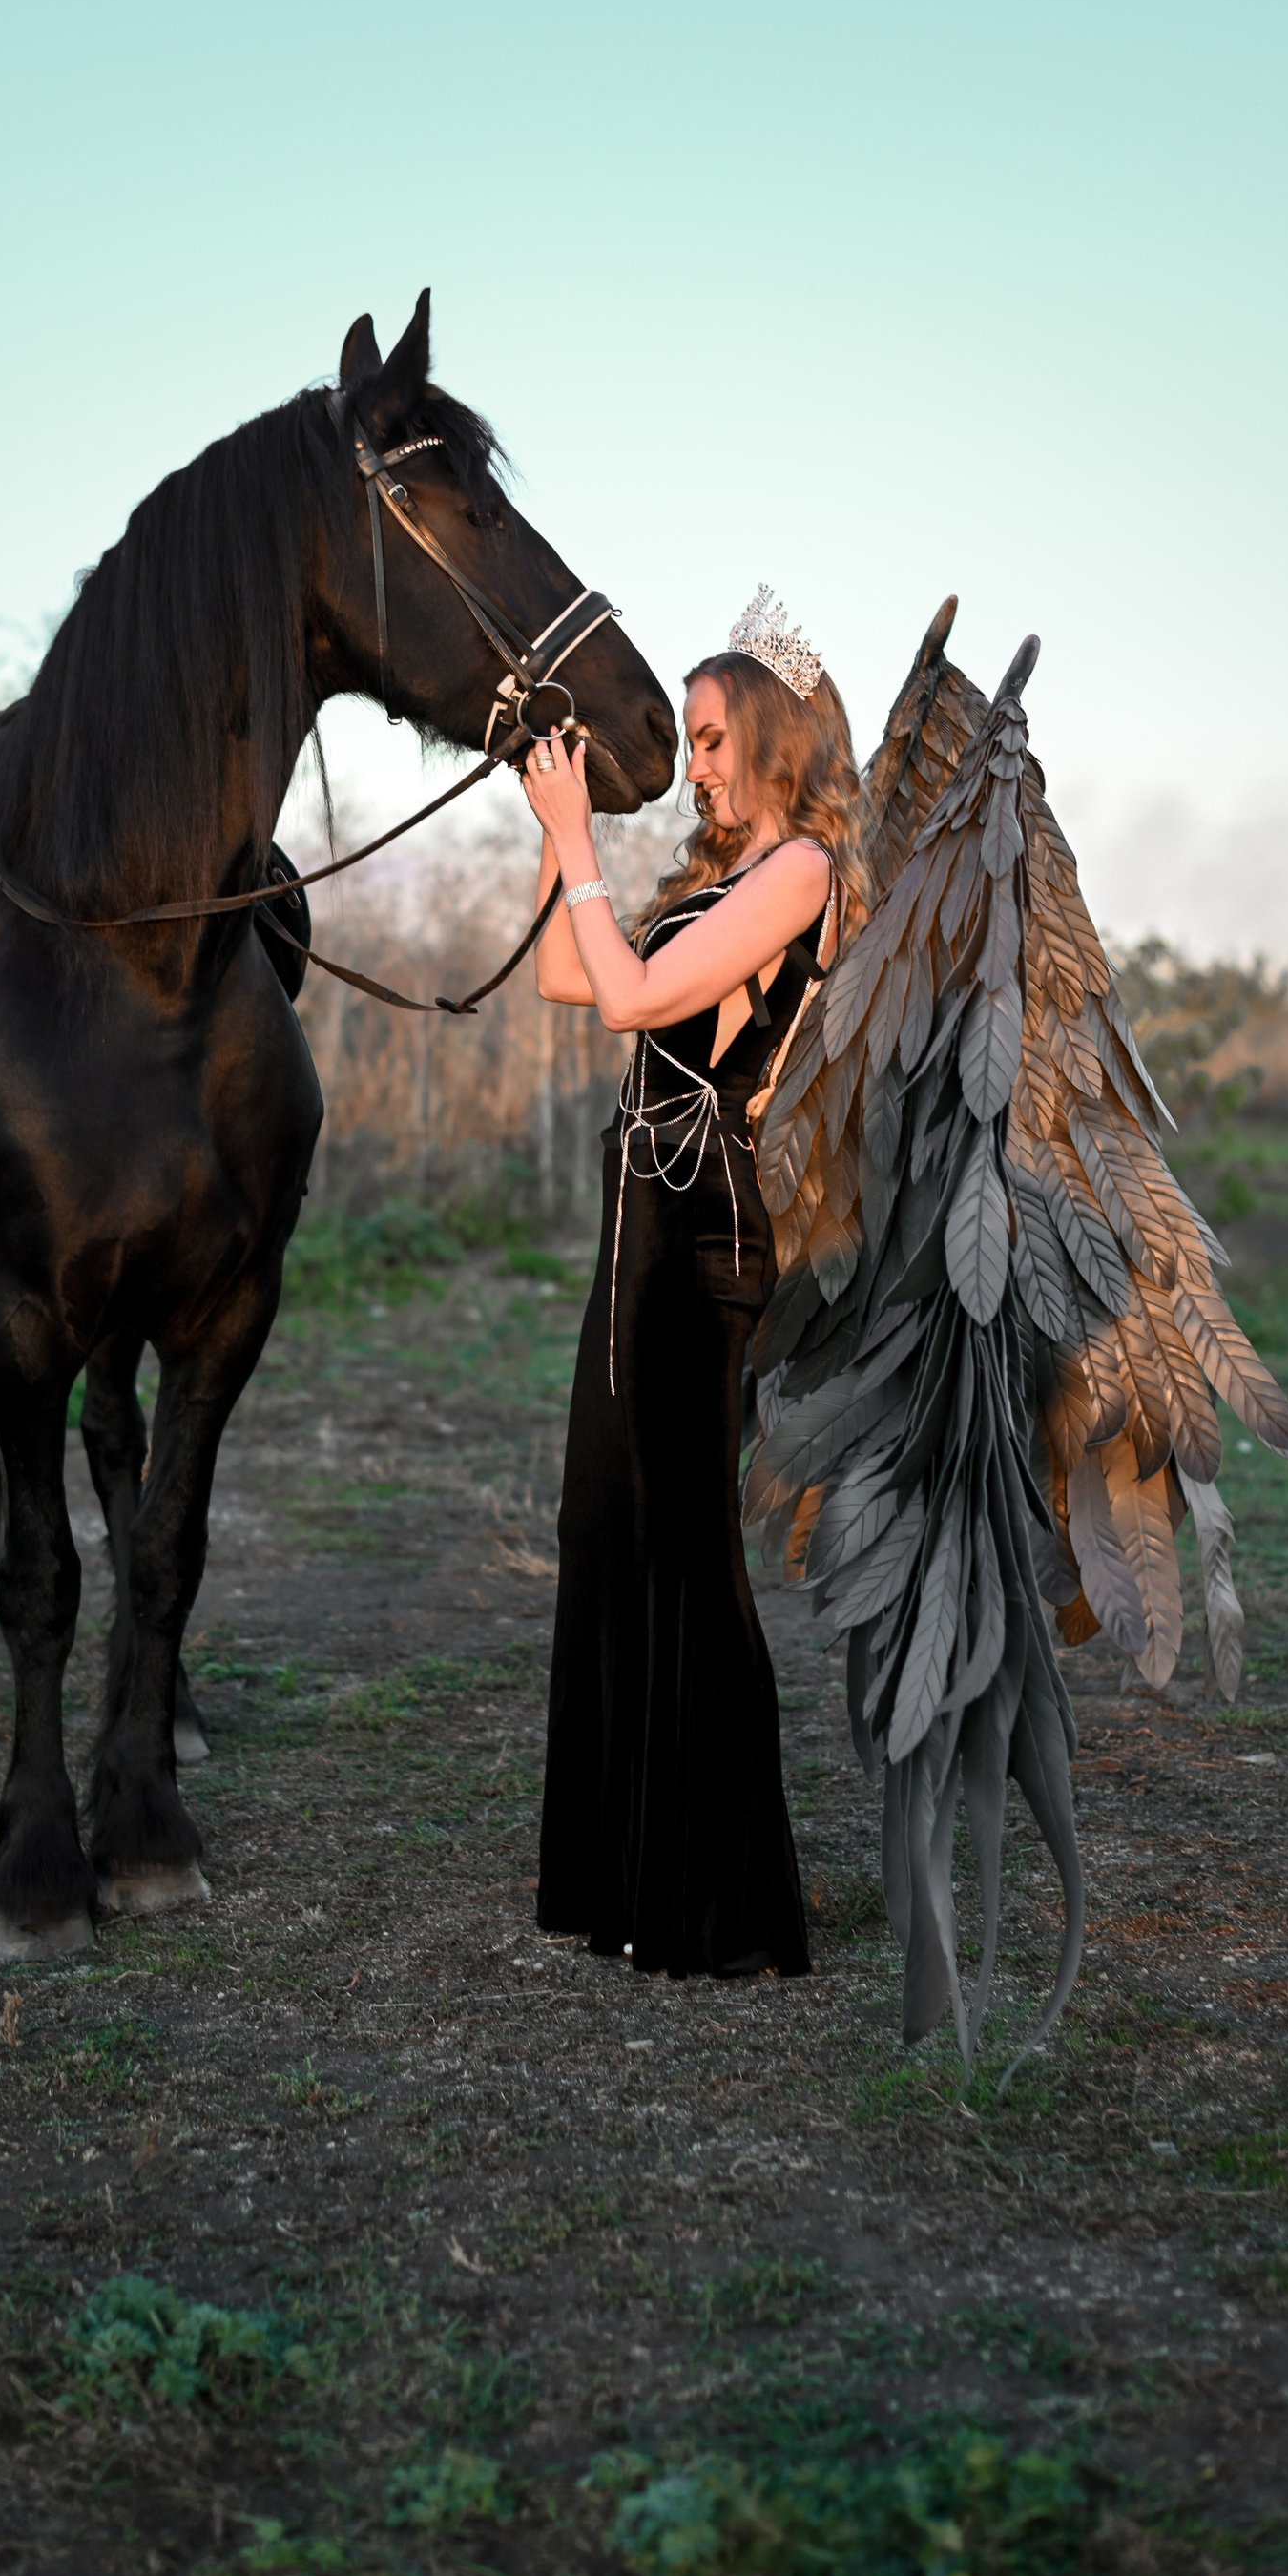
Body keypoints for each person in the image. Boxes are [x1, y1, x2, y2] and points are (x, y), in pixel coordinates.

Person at [521, 589, 871, 1978]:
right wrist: (555, 826)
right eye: (693, 740)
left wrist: (578, 847)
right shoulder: (712, 883)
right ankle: (628, 1882)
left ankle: (724, 1908)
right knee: (608, 1526)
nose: (698, 764)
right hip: (639, 1235)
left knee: (687, 1546)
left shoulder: (803, 875)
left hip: (708, 1239)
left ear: (777, 738)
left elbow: (631, 1000)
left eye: (714, 738)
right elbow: (567, 973)